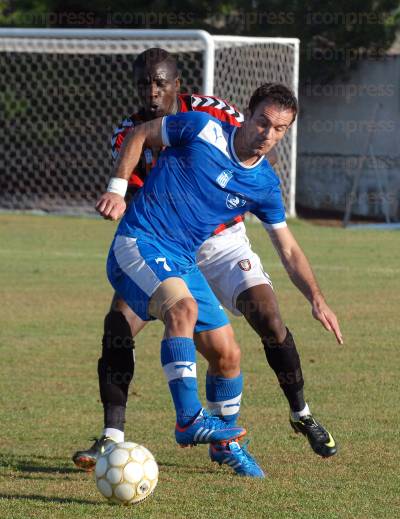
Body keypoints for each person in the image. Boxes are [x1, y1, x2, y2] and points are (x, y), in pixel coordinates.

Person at [73, 50, 342, 476]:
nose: (267, 133)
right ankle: (166, 425)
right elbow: (140, 138)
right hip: (148, 239)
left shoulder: (259, 175)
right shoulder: (194, 130)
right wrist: (117, 189)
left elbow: (288, 248)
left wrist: (317, 298)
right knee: (144, 320)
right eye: (262, 122)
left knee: (229, 350)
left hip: (206, 247)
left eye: (278, 129)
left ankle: (230, 440)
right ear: (247, 115)